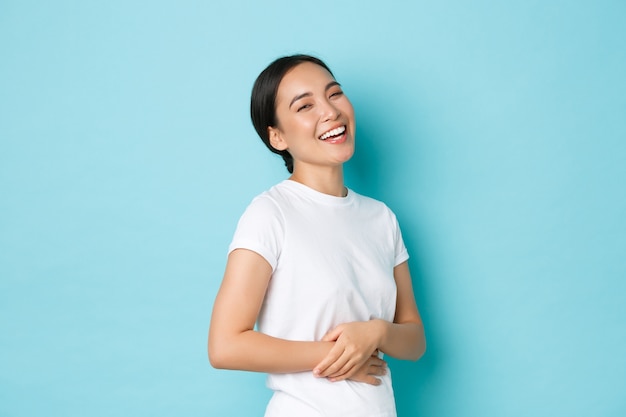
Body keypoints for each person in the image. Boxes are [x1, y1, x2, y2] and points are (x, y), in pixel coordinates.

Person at [208, 54, 426, 417]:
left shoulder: (381, 218)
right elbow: (225, 345)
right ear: (277, 137)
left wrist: (374, 334)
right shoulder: (270, 214)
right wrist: (337, 354)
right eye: (305, 105)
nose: (330, 111)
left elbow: (414, 339)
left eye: (334, 94)